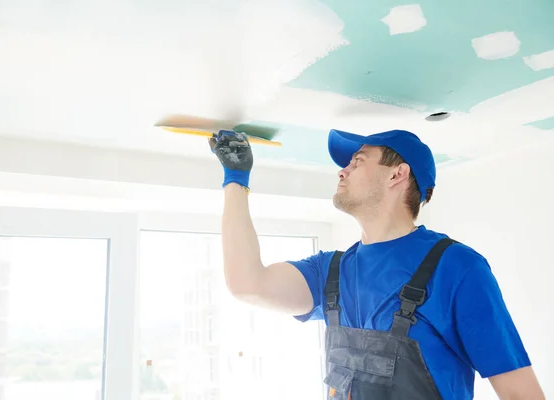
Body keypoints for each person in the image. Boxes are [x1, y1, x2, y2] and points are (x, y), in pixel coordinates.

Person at [209, 128, 545, 400]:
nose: (343, 170)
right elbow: (247, 284)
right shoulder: (330, 272)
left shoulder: (457, 268)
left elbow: (521, 394)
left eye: (358, 161)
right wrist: (235, 180)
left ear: (397, 175)